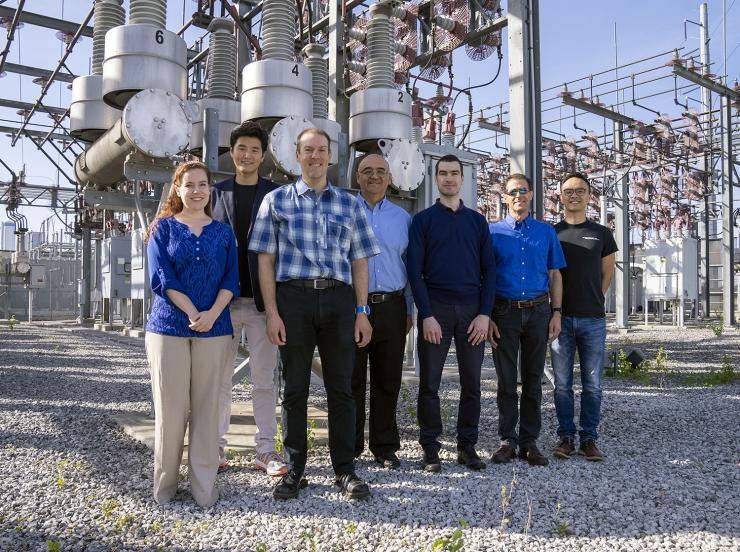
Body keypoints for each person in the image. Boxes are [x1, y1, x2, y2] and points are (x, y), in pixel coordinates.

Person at [249, 128, 380, 500]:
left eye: (322, 150)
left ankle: (345, 471)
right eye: (308, 150)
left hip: (339, 302)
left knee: (342, 388)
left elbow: (359, 261)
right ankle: (294, 470)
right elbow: (265, 261)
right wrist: (272, 313)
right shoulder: (276, 202)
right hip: (294, 300)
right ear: (297, 155)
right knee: (294, 389)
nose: (316, 156)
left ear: (331, 156)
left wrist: (361, 311)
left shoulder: (350, 204)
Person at [144, 160, 239, 507]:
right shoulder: (162, 229)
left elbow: (231, 280)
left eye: (203, 184)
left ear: (210, 189)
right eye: (189, 185)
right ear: (178, 189)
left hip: (215, 327)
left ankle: (204, 489)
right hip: (168, 326)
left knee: (207, 408)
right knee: (170, 410)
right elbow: (162, 278)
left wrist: (212, 314)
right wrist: (192, 312)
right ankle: (165, 488)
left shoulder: (223, 233)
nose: (196, 191)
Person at [407, 154, 496, 473]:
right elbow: (414, 272)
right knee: (429, 383)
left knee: (472, 383)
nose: (448, 178)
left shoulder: (477, 222)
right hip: (437, 312)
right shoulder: (423, 221)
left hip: (472, 313)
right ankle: (430, 448)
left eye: (454, 173)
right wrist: (426, 314)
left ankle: (467, 446)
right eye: (442, 173)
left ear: (463, 179)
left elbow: (490, 270)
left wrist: (485, 314)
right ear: (435, 179)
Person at [211, 121, 286, 476]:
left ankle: (266, 451)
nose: (247, 155)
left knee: (263, 379)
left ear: (263, 155)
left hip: (261, 304)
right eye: (242, 148)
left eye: (255, 150)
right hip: (221, 304)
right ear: (232, 151)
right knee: (219, 379)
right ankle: (216, 448)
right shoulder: (214, 193)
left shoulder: (276, 194)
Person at [488, 173, 566, 467]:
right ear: (505, 197)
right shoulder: (493, 232)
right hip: (504, 312)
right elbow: (487, 277)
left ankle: (529, 442)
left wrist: (556, 313)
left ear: (531, 195)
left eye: (523, 190)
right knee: (506, 380)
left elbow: (556, 275)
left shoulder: (545, 232)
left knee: (533, 381)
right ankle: (508, 440)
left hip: (538, 311)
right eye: (512, 191)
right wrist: (488, 316)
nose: (518, 195)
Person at [351, 153, 413, 470]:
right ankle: (349, 444)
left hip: (392, 305)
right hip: (352, 308)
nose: (374, 177)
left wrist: (410, 309)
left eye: (380, 172)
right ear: (357, 177)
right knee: (351, 379)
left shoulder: (403, 219)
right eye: (367, 171)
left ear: (389, 178)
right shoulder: (344, 213)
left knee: (387, 379)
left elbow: (412, 266)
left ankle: (385, 446)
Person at [551, 172, 617, 462]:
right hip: (560, 319)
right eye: (568, 191)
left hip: (592, 319)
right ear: (560, 197)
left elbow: (607, 274)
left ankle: (589, 439)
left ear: (590, 196)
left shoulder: (601, 233)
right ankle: (566, 437)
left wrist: (594, 299)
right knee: (562, 383)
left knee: (593, 384)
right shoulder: (552, 233)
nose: (574, 195)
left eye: (580, 190)